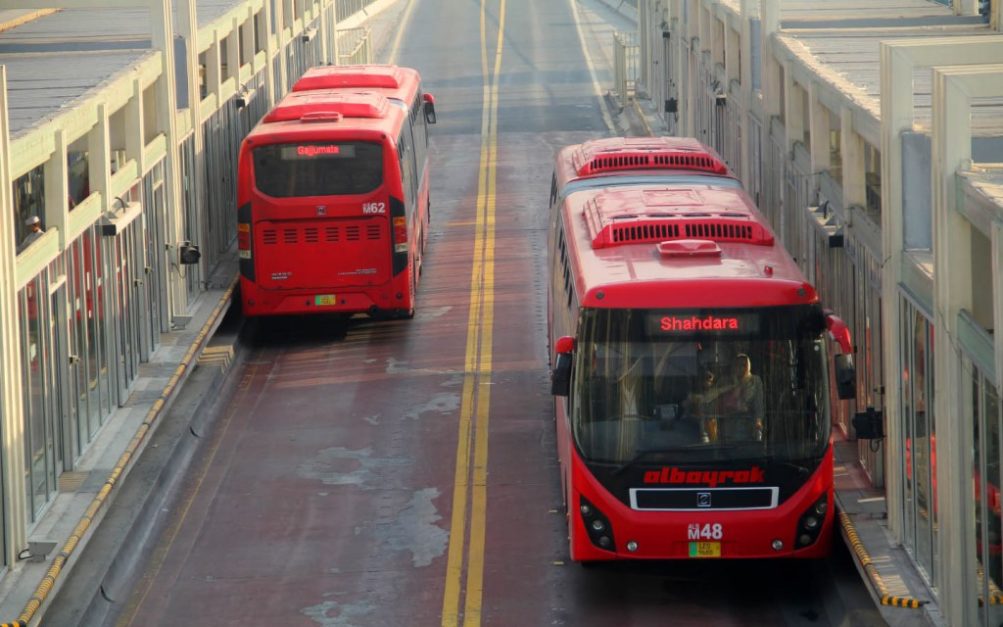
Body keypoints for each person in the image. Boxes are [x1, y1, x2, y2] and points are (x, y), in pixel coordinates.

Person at [718, 353, 765, 440]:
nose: (740, 367)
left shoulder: (755, 381)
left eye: (743, 365)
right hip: (729, 425)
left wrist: (758, 421)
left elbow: (758, 404)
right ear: (733, 366)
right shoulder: (725, 381)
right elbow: (721, 404)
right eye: (737, 365)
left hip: (748, 424)